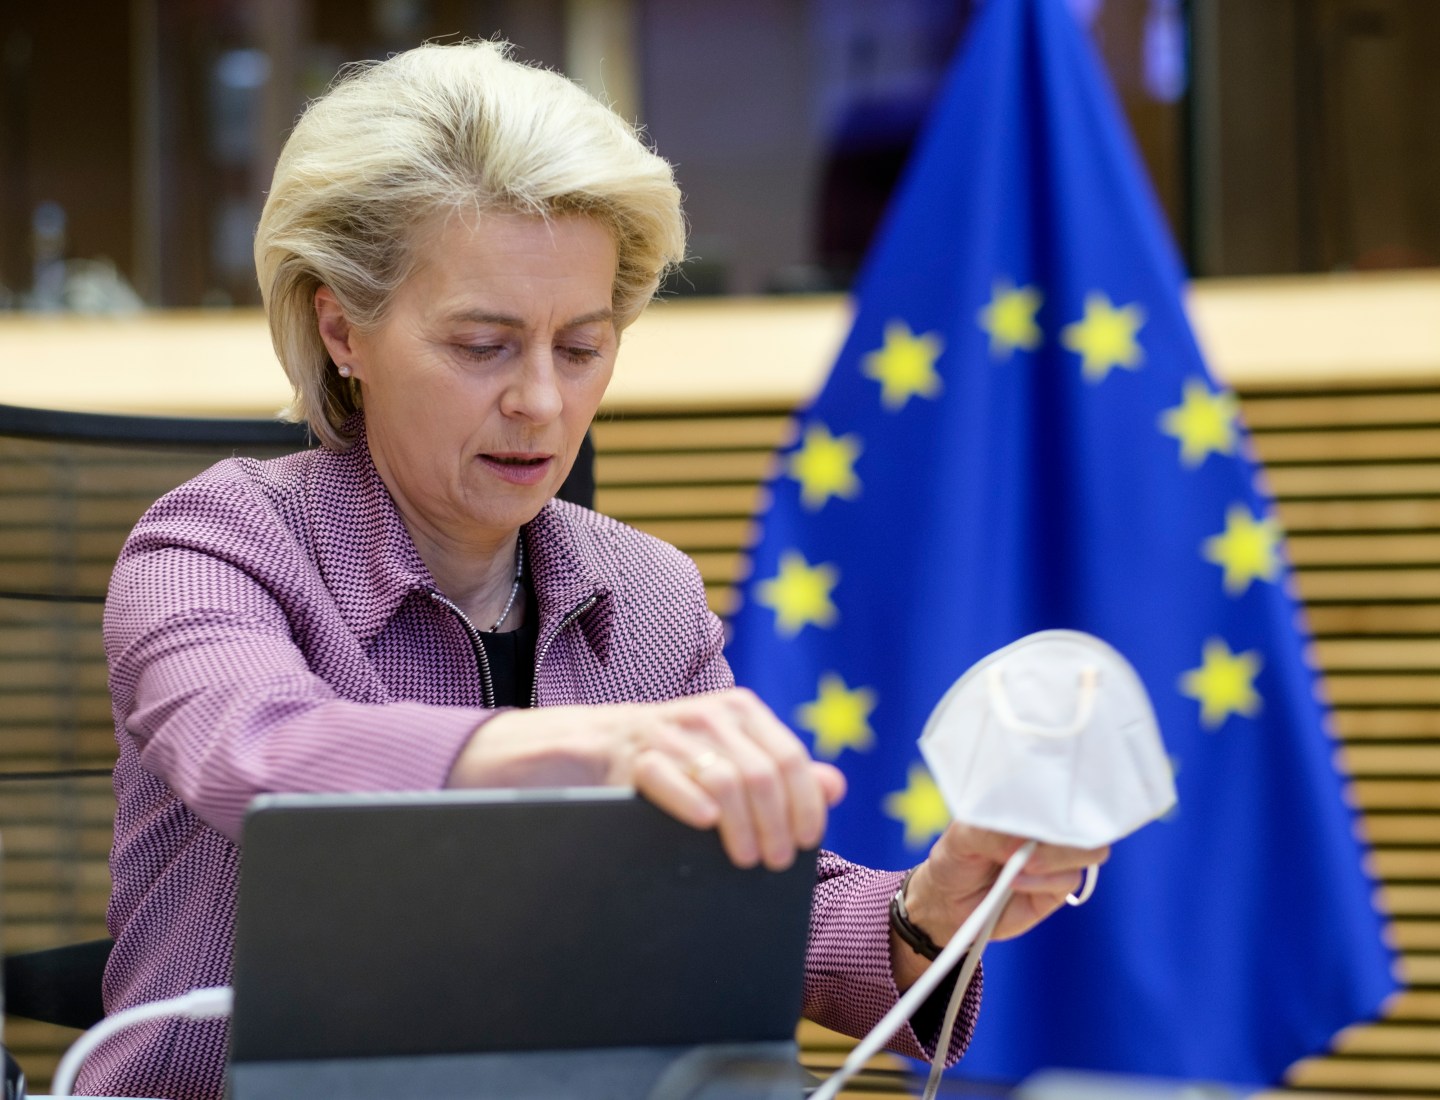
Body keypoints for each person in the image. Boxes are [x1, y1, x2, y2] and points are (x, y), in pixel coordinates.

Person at [88, 42, 1106, 1099]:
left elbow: (755, 906)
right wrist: (603, 747)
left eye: (582, 347)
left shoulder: (649, 597)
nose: (542, 401)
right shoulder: (214, 540)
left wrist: (934, 905)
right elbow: (258, 752)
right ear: (341, 325)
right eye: (484, 344)